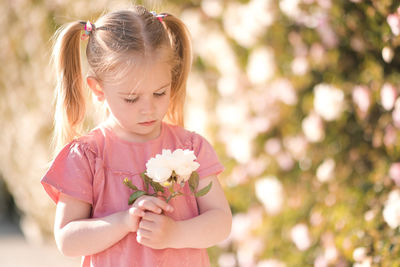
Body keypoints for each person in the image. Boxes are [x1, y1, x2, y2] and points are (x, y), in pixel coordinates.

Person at [41, 5, 232, 267]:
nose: (148, 108)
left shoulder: (190, 148)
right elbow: (68, 239)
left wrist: (175, 234)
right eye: (131, 98)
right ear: (98, 89)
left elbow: (220, 221)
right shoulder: (89, 155)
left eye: (159, 93)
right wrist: (124, 221)